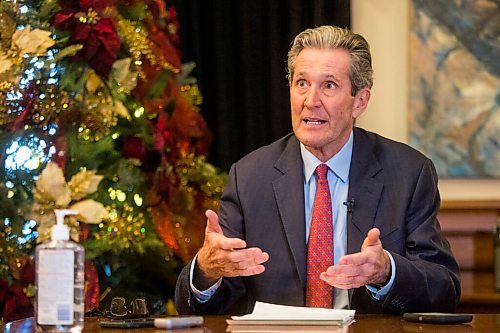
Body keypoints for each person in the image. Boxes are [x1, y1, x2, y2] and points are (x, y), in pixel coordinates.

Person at [175, 25, 460, 315]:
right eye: (302, 83)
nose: (310, 101)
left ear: (359, 101)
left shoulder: (408, 173)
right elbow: (207, 302)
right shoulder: (249, 177)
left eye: (329, 85)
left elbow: (444, 288)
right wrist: (207, 272)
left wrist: (386, 272)